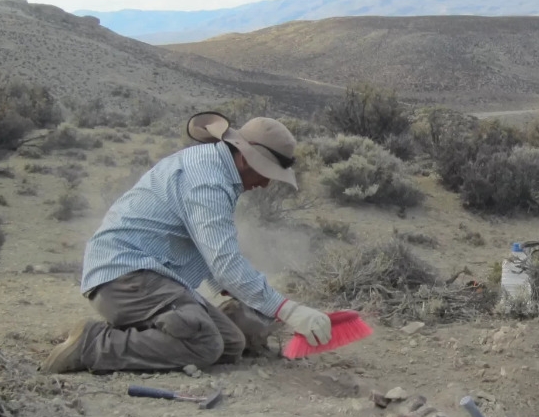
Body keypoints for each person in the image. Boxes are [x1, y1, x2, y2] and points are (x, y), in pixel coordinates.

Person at [41, 114, 334, 374]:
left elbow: (207, 253)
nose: (267, 184)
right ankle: (92, 345)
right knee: (205, 344)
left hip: (147, 278)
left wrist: (253, 299)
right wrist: (288, 310)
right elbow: (225, 263)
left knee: (230, 345)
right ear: (245, 158)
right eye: (266, 173)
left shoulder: (215, 168)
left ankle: (192, 323)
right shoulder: (207, 180)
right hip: (124, 276)